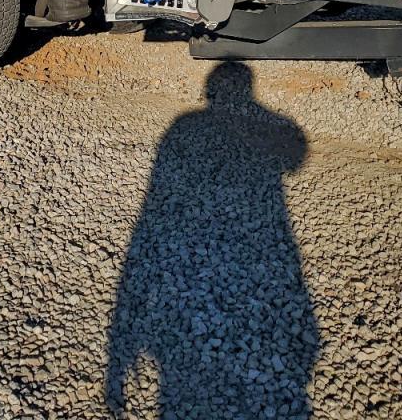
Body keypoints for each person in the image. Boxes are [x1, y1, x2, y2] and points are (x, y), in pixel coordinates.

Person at [106, 61, 318, 419]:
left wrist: (120, 358)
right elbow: (296, 156)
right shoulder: (268, 125)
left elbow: (154, 201)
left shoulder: (184, 126)